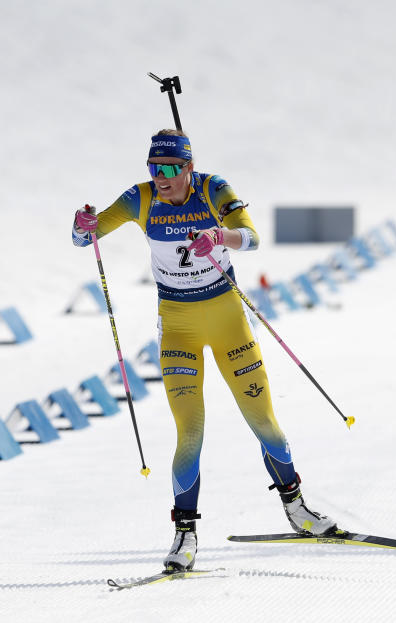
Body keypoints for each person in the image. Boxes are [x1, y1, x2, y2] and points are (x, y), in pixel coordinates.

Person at [71, 129, 337, 572]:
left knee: (264, 422)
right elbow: (87, 239)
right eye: (155, 168)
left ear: (189, 168)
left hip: (228, 320)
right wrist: (82, 226)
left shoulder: (214, 189)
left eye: (172, 169)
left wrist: (218, 236)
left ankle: (298, 511)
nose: (162, 177)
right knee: (190, 431)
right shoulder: (139, 199)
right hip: (178, 329)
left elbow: (251, 238)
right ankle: (184, 536)